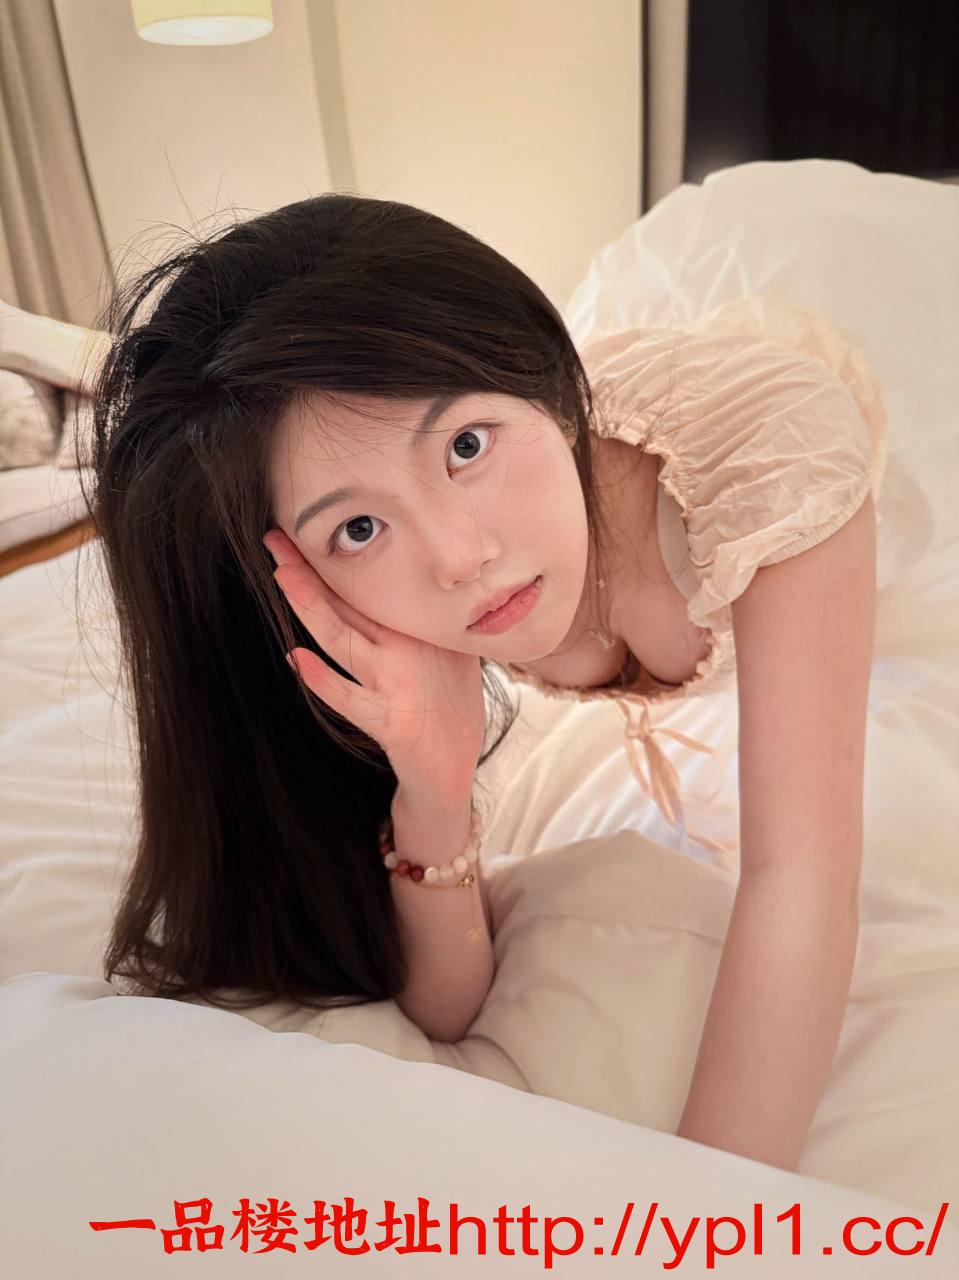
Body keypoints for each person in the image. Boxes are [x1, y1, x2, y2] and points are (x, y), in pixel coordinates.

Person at [78, 192, 886, 1173]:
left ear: (551, 393)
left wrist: (708, 1212)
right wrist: (433, 782)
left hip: (821, 455)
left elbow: (799, 878)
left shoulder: (775, 472)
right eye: (358, 527)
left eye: (465, 445)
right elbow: (445, 1008)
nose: (460, 557)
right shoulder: (367, 612)